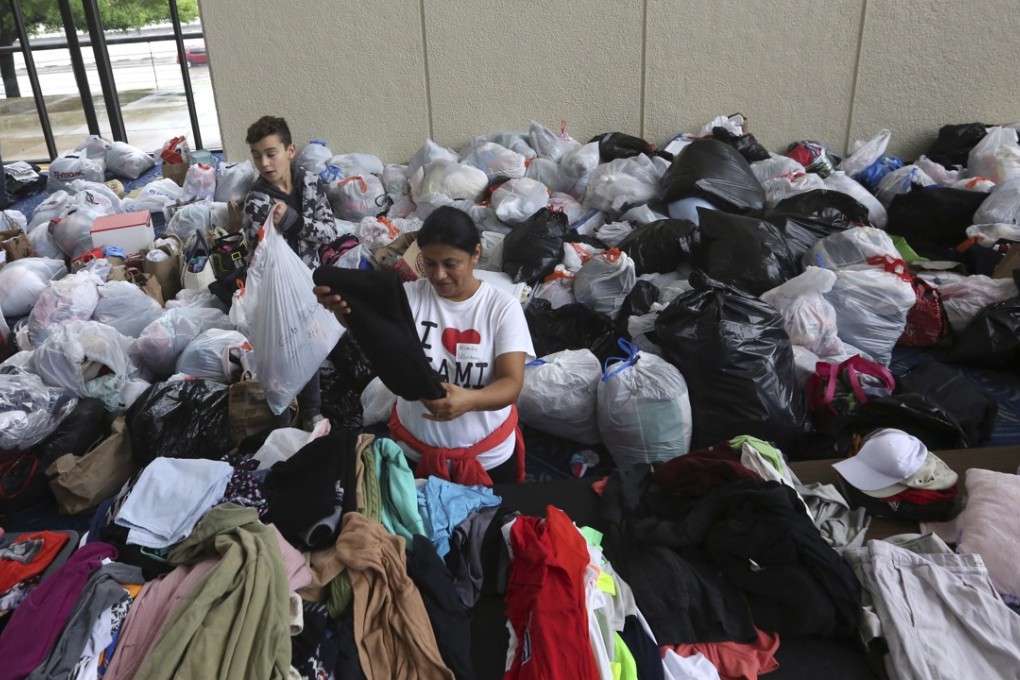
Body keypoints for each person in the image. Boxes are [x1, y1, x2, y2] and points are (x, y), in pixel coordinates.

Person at [314, 206, 535, 485]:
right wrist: (339, 309)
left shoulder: (501, 308)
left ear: (475, 254)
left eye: (450, 263)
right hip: (414, 455)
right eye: (429, 263)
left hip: (487, 461)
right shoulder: (409, 298)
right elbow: (365, 325)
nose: (439, 275)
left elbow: (511, 384)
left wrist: (470, 400)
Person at [244, 115, 339, 430]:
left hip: (309, 285)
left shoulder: (309, 183)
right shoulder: (257, 202)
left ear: (290, 150)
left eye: (271, 153)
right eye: (257, 155)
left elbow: (328, 232)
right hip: (277, 295)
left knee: (308, 350)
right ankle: (282, 427)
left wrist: (293, 222)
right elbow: (257, 258)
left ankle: (312, 413)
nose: (265, 163)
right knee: (279, 361)